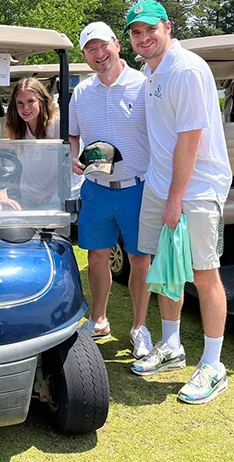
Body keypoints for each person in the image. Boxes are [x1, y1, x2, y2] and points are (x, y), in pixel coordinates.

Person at [126, 0, 232, 403]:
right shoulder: (151, 72)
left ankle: (213, 365)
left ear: (167, 27)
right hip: (160, 185)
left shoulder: (185, 69)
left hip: (196, 190)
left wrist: (174, 199)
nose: (143, 38)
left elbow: (190, 139)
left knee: (205, 275)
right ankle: (171, 346)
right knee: (165, 267)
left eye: (150, 29)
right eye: (136, 32)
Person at [70, 22, 153, 359]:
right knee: (97, 255)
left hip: (137, 186)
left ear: (117, 45)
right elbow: (74, 135)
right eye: (90, 48)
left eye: (103, 45)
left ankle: (139, 327)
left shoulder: (143, 85)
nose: (98, 53)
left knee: (139, 259)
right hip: (97, 187)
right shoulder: (81, 92)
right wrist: (75, 156)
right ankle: (99, 319)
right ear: (85, 55)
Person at [2, 77, 80, 209]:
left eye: (30, 101)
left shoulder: (60, 125)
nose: (25, 108)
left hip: (58, 196)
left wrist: (46, 192)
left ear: (42, 101)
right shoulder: (18, 129)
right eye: (20, 103)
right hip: (30, 197)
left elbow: (70, 166)